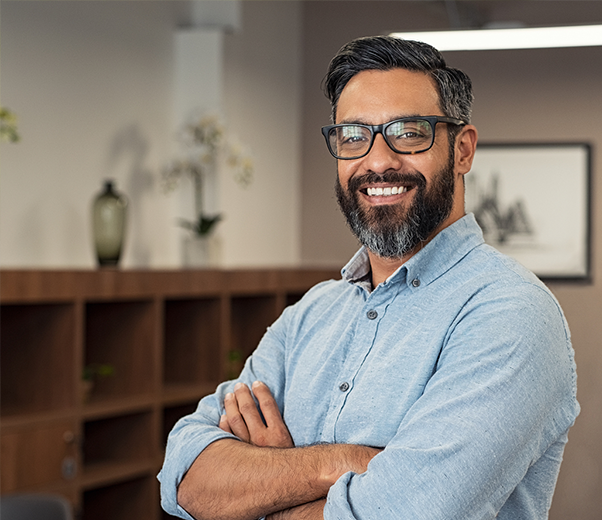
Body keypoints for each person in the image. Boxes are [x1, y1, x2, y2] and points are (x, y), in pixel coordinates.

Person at [158, 35, 580, 520]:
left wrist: (262, 488)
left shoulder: (510, 314)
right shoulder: (311, 314)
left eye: (408, 132)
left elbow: (406, 514)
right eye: (354, 136)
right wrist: (341, 463)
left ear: (462, 150)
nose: (378, 161)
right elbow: (183, 474)